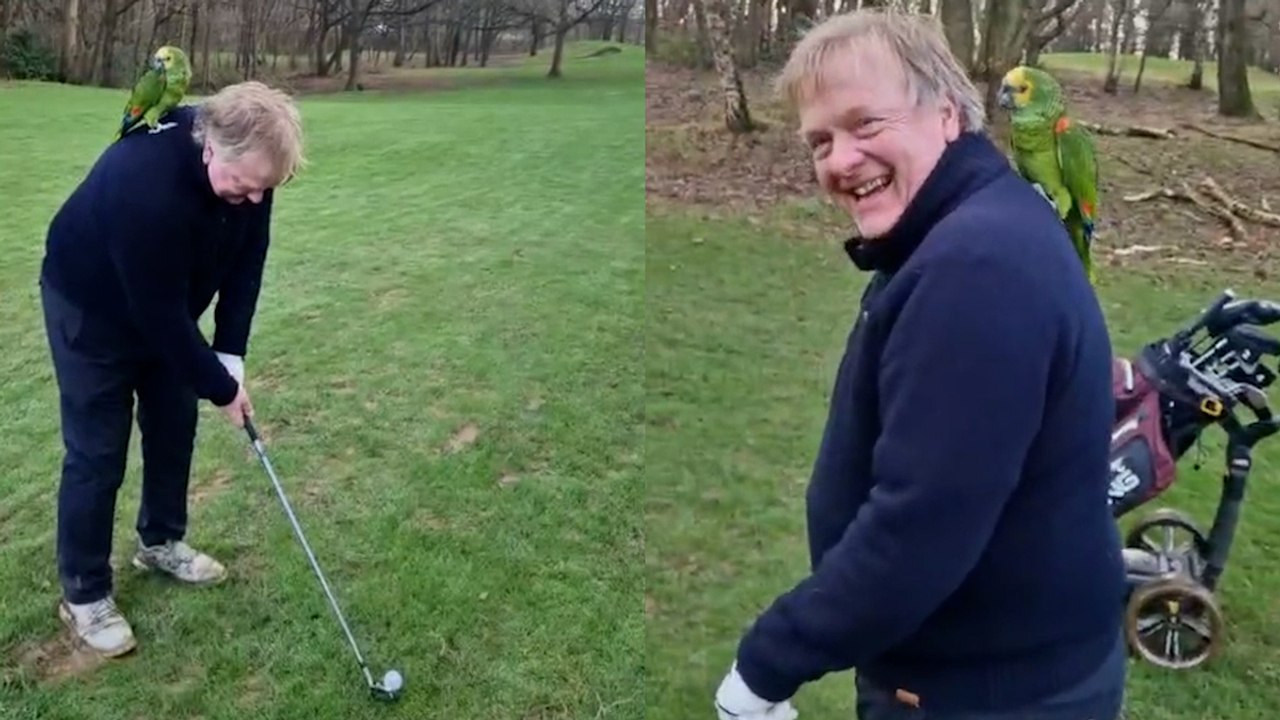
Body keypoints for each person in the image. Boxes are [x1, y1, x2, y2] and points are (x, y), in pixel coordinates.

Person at [712, 9, 1128, 720]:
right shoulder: (972, 226)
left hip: (983, 695)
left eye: (866, 124)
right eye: (820, 141)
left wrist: (765, 668)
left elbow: (921, 526)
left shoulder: (976, 268)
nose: (840, 160)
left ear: (947, 113)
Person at [38, 80, 305, 659]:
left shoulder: (252, 172)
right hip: (91, 309)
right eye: (244, 185)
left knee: (173, 425)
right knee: (97, 451)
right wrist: (220, 388)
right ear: (211, 146)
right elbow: (156, 314)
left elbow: (247, 265)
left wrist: (230, 354)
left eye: (263, 189)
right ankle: (85, 593)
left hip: (164, 306)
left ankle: (160, 541)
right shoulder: (144, 183)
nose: (253, 199)